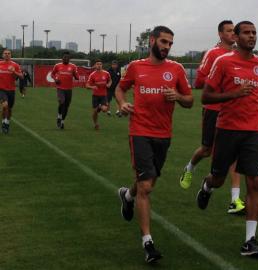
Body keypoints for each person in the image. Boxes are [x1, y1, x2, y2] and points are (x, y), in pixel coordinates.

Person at [196, 21, 258, 258]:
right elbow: (206, 95)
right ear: (237, 36)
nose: (252, 36)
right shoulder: (223, 61)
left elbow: (255, 92)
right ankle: (207, 185)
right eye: (247, 32)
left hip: (253, 131)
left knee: (254, 183)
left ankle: (250, 241)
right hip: (227, 129)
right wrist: (233, 94)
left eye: (254, 32)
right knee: (219, 179)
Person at [116, 26, 193, 263]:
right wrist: (122, 103)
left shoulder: (177, 69)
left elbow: (190, 100)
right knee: (146, 186)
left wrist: (179, 98)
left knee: (147, 182)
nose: (167, 47)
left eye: (170, 43)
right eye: (163, 42)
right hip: (139, 131)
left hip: (163, 135)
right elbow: (120, 88)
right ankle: (148, 243)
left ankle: (128, 196)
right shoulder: (137, 67)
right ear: (152, 41)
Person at [179, 20, 245, 215]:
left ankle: (235, 200)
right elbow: (199, 81)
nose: (233, 34)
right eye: (229, 31)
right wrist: (221, 83)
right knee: (207, 150)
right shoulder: (213, 54)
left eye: (234, 31)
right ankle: (189, 167)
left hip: (233, 110)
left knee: (235, 155)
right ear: (220, 34)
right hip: (214, 108)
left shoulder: (239, 55)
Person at [51, 51, 79, 130]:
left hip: (69, 89)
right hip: (60, 88)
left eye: (67, 57)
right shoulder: (57, 65)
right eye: (64, 57)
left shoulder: (73, 66)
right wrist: (56, 79)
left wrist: (75, 74)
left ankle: (62, 121)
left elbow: (77, 77)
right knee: (61, 102)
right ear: (62, 58)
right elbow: (52, 74)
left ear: (69, 59)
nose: (66, 58)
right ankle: (59, 116)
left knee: (66, 106)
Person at [0, 49, 23, 134]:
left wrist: (14, 71)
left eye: (8, 53)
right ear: (2, 55)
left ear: (11, 55)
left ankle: (6, 123)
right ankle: (4, 124)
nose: (7, 55)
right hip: (1, 90)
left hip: (11, 90)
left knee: (9, 109)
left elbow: (21, 77)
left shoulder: (15, 65)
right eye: (5, 53)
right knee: (5, 106)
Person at [86, 59, 112, 130]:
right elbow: (87, 85)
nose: (99, 65)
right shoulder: (92, 75)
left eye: (100, 64)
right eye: (97, 64)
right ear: (95, 65)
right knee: (95, 112)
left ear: (102, 65)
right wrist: (92, 86)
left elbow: (110, 80)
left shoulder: (106, 73)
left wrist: (109, 84)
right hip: (95, 96)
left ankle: (100, 106)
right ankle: (95, 124)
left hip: (103, 95)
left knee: (104, 109)